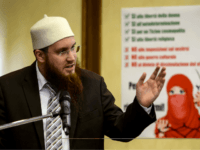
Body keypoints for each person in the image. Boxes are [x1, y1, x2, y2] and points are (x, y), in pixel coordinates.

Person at [0, 15, 166, 150]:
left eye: (73, 48)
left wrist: (142, 105)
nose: (72, 58)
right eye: (62, 51)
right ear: (40, 56)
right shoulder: (8, 88)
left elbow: (121, 130)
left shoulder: (93, 84)